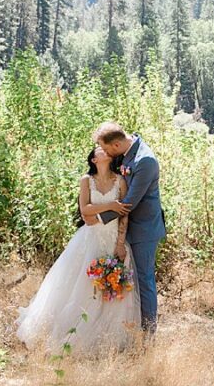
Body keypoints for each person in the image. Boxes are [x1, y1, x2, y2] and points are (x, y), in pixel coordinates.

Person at [15, 143, 141, 355]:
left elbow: (124, 213)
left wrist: (120, 243)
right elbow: (85, 212)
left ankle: (109, 339)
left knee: (112, 288)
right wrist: (111, 205)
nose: (103, 149)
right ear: (94, 159)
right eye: (98, 149)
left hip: (113, 239)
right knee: (83, 285)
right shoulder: (86, 181)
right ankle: (74, 334)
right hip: (89, 239)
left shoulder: (120, 180)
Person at [93, 120, 166, 336]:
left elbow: (129, 203)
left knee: (144, 280)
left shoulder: (145, 161)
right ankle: (129, 329)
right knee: (131, 280)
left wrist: (96, 219)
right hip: (125, 228)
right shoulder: (127, 153)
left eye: (106, 149)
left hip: (144, 230)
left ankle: (149, 334)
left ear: (115, 145)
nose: (106, 153)